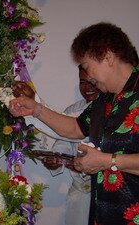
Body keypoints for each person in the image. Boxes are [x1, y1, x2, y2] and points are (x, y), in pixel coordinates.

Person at [9, 22, 139, 225]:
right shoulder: (105, 99)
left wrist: (107, 161)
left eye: (88, 67)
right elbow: (75, 128)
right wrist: (35, 109)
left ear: (108, 57)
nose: (87, 76)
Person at [42, 65, 99, 225]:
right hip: (81, 191)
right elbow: (62, 145)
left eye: (92, 81)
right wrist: (55, 161)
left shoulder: (114, 110)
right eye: (83, 82)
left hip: (108, 190)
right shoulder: (73, 111)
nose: (88, 87)